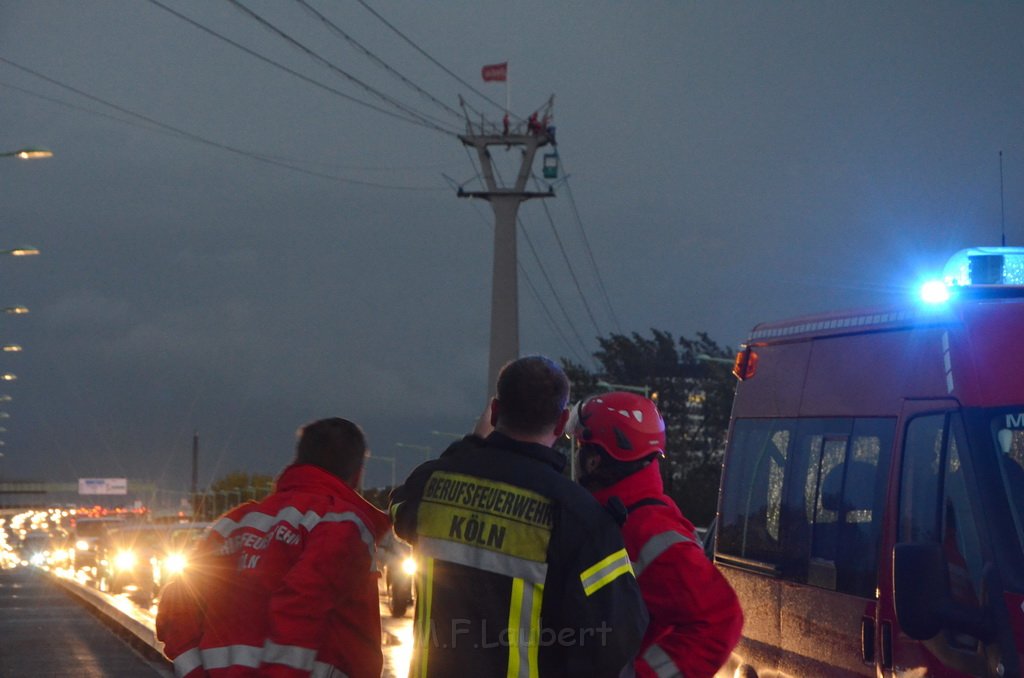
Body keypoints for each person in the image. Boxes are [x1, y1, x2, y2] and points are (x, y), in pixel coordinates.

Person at [390, 356, 648, 677]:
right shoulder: (580, 517)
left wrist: (471, 444)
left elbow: (399, 510)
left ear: (495, 413)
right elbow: (618, 636)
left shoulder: (431, 485)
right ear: (561, 422)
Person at [155, 417, 391, 678]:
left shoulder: (235, 524)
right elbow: (299, 605)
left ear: (298, 462)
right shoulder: (341, 524)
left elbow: (175, 608)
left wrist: (195, 673)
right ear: (357, 474)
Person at [571, 392, 744, 678]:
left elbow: (719, 619)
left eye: (580, 447)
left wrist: (643, 675)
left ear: (594, 461)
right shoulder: (624, 516)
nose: (577, 458)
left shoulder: (647, 528)